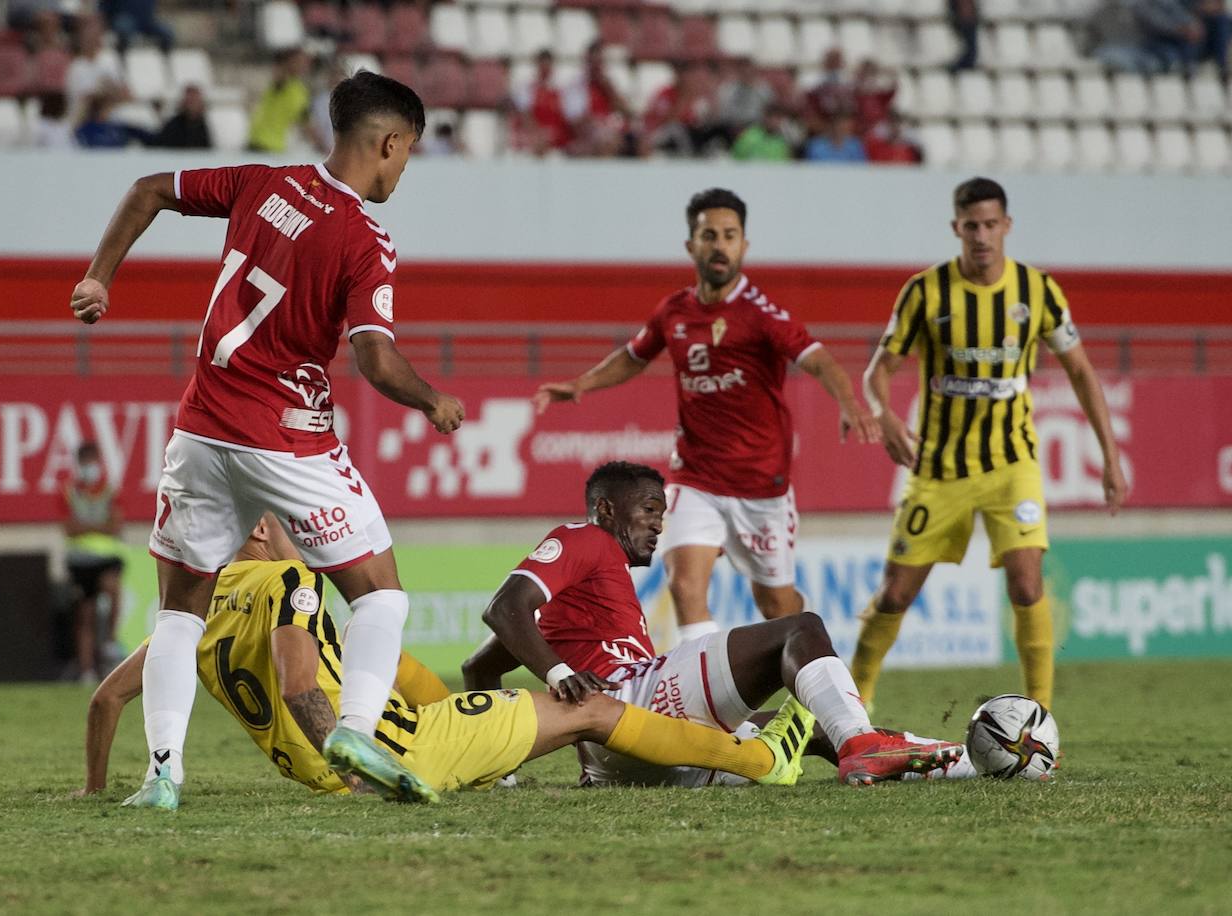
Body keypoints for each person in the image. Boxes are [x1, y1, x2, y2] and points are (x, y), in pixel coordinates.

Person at [68, 71, 466, 810]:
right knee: (381, 597)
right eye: (407, 154)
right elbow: (376, 359)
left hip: (201, 427)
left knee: (180, 614)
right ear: (388, 142)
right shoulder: (366, 238)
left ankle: (162, 775)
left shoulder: (262, 182)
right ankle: (352, 730)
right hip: (287, 438)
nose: (403, 169)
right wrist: (432, 398)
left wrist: (100, 278)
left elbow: (150, 186)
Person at [75, 514, 814, 799]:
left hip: (335, 776)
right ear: (264, 530)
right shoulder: (292, 581)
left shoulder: (188, 618)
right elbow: (301, 679)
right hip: (400, 755)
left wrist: (94, 790)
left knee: (391, 665)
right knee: (586, 707)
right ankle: (761, 761)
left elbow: (105, 700)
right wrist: (358, 763)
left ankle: (490, 763)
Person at [462, 461, 963, 787]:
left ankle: (970, 760)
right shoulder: (586, 538)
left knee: (813, 726)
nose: (660, 524)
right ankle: (863, 744)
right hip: (634, 707)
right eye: (650, 510)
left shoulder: (582, 596)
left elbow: (478, 668)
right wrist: (558, 675)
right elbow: (505, 608)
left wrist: (498, 778)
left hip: (625, 762)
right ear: (607, 509)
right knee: (799, 627)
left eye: (663, 513)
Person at [533, 189, 879, 642]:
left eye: (730, 236)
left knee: (777, 607)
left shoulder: (761, 315)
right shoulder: (673, 311)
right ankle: (706, 700)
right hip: (695, 478)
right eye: (709, 235)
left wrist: (849, 401)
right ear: (691, 245)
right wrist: (582, 384)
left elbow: (818, 360)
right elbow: (634, 356)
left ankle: (809, 659)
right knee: (684, 584)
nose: (720, 245)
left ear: (744, 247)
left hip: (761, 488)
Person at [851, 177, 1128, 714]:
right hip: (939, 469)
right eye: (971, 225)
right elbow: (877, 371)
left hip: (1012, 464)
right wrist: (882, 414)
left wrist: (1110, 458)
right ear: (957, 227)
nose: (981, 235)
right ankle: (853, 708)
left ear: (1007, 226)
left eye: (990, 224)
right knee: (895, 595)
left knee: (1027, 585)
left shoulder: (1037, 290)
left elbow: (1082, 372)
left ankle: (1040, 718)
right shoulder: (925, 291)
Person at [62, 441, 125, 685]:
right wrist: (100, 527)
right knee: (85, 615)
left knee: (113, 591)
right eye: (85, 461)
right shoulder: (70, 491)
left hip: (107, 558)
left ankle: (109, 641)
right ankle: (87, 671)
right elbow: (69, 529)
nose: (90, 466)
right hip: (80, 561)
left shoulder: (109, 489)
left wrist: (86, 528)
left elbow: (116, 525)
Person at [248, 48, 320, 154]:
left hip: (276, 147)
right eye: (299, 61)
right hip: (258, 142)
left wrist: (322, 147)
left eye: (306, 62)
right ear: (288, 61)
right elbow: (278, 72)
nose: (304, 65)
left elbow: (306, 123)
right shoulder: (281, 80)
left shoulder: (301, 91)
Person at [152, 84, 211, 149]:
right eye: (189, 101)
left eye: (194, 100)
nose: (192, 104)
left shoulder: (209, 125)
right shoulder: (174, 124)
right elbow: (159, 142)